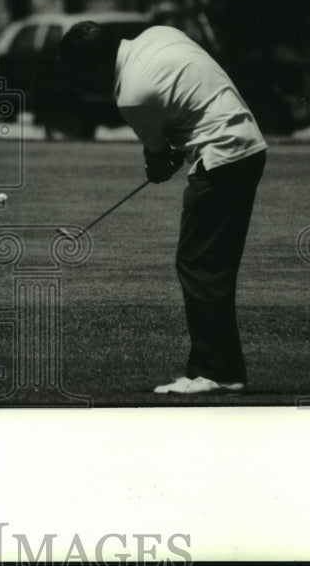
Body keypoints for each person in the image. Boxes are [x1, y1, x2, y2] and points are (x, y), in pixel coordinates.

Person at [59, 21, 267, 395]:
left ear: (93, 66)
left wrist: (159, 165)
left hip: (222, 157)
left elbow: (159, 157)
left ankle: (218, 372)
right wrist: (169, 154)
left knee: (199, 264)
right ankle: (211, 367)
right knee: (208, 264)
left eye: (80, 74)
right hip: (248, 144)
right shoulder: (158, 34)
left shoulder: (131, 95)